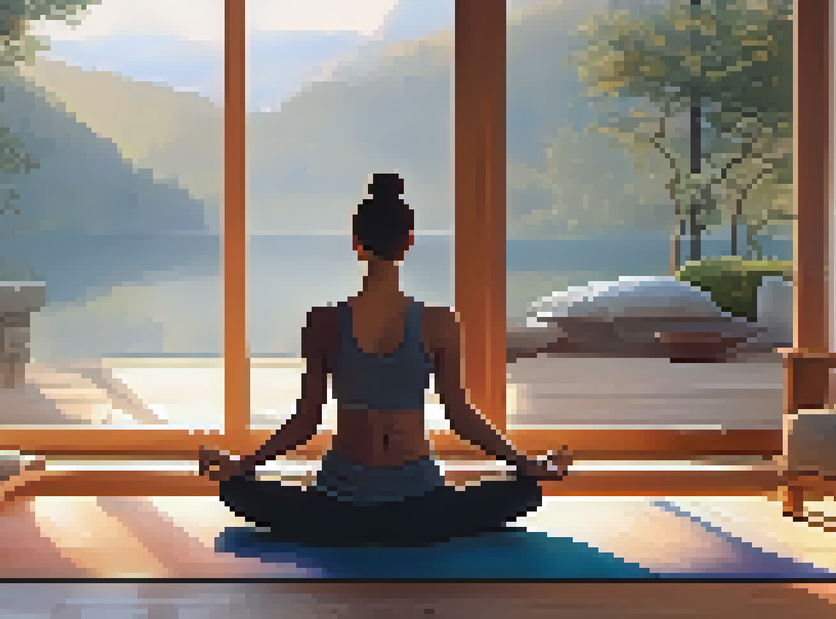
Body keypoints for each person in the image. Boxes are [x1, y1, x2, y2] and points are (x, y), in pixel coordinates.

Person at [199, 172, 573, 545]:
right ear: (409, 242)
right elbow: (460, 417)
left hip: (340, 508)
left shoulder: (322, 322)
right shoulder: (440, 322)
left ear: (356, 244)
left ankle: (346, 526)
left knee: (236, 490)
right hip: (419, 508)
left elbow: (305, 422)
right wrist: (526, 464)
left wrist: (242, 465)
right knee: (525, 491)